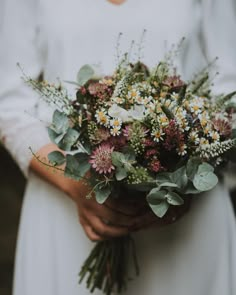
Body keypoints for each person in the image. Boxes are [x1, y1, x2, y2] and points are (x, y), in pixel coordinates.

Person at [0, 0, 236, 294]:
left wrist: (182, 179)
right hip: (63, 210)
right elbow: (10, 105)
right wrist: (75, 184)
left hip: (187, 220)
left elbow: (231, 89)